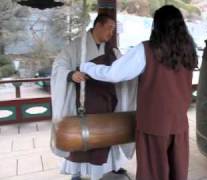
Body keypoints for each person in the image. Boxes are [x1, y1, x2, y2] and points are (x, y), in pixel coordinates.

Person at [80, 5, 197, 180]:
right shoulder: (189, 51)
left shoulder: (147, 50)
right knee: (177, 171)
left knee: (153, 172)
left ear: (156, 26)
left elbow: (114, 74)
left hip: (154, 124)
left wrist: (86, 67)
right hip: (179, 123)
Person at [50, 14, 137, 180]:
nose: (112, 32)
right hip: (84, 103)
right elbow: (58, 66)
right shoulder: (77, 46)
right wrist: (71, 74)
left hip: (107, 103)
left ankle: (111, 167)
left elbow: (123, 69)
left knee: (108, 137)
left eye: (113, 28)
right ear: (98, 25)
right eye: (109, 27)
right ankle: (79, 172)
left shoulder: (111, 50)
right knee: (83, 139)